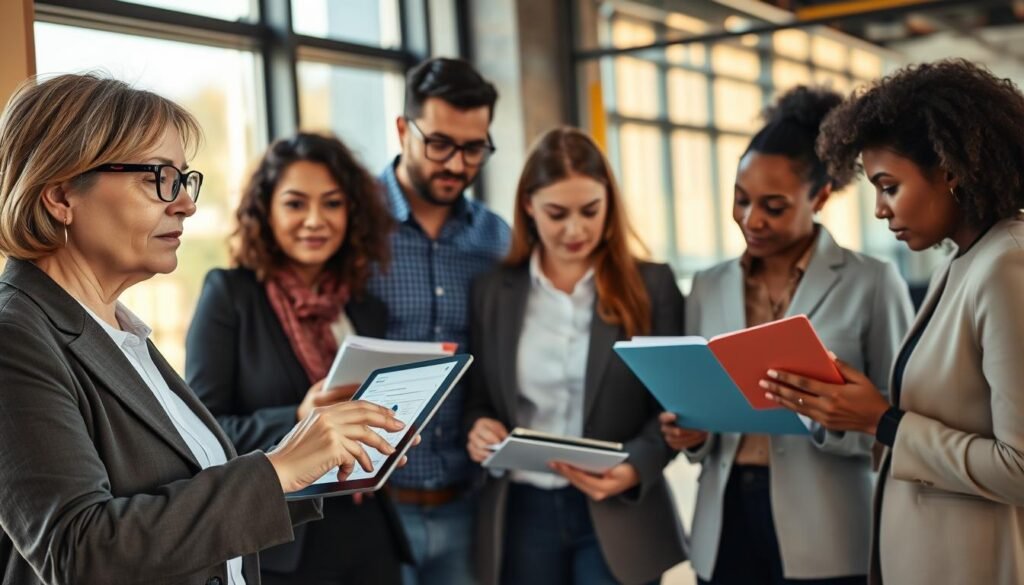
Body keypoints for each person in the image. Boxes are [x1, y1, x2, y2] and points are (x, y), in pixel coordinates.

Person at [0, 73, 406, 585]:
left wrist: (317, 454)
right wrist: (277, 469)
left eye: (184, 179)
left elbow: (195, 496)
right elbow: (80, 552)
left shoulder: (123, 333)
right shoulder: (15, 336)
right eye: (157, 178)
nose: (186, 203)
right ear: (61, 196)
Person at [765, 59, 1024, 585]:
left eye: (889, 186)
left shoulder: (1005, 265)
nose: (881, 210)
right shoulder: (962, 261)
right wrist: (850, 402)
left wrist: (882, 421)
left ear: (950, 170)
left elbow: (1019, 467)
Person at [660, 86, 914, 585]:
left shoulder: (872, 282)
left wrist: (836, 415)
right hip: (725, 516)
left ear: (819, 196)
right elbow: (698, 400)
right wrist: (689, 435)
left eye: (773, 206)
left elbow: (897, 421)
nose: (751, 220)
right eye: (741, 200)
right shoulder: (708, 285)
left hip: (828, 523)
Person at [185, 132, 411, 584]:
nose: (315, 220)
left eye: (332, 203)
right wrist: (299, 417)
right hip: (283, 542)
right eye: (295, 203)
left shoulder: (365, 306)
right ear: (265, 211)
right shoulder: (230, 296)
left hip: (370, 532)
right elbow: (201, 431)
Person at [464, 127, 687, 585]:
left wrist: (634, 468)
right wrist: (480, 427)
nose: (575, 229)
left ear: (610, 203)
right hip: (523, 510)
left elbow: (675, 409)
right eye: (556, 213)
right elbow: (480, 397)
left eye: (590, 211)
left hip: (618, 509)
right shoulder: (493, 292)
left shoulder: (653, 286)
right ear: (528, 206)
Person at [366, 57, 510, 585]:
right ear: (404, 129)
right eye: (441, 144)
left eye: (474, 149)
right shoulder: (352, 224)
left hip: (466, 501)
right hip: (371, 504)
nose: (457, 164)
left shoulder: (497, 240)